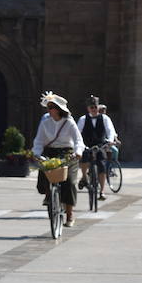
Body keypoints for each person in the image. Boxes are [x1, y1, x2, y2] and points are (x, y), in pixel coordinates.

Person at [31, 92, 84, 227]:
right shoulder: (45, 123)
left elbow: (78, 140)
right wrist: (36, 153)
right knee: (45, 175)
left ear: (58, 109)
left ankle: (70, 214)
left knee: (70, 182)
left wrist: (78, 153)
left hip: (67, 153)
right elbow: (39, 141)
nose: (49, 111)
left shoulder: (69, 123)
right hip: (50, 151)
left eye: (51, 107)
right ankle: (49, 194)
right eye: (48, 108)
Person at [78, 96, 117, 199]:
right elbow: (78, 132)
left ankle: (102, 191)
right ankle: (84, 177)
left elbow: (110, 130)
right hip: (87, 145)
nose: (94, 109)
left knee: (102, 165)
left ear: (98, 107)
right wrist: (79, 143)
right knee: (84, 157)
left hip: (100, 145)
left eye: (95, 107)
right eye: (91, 107)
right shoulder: (83, 119)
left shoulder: (105, 118)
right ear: (88, 108)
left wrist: (110, 140)